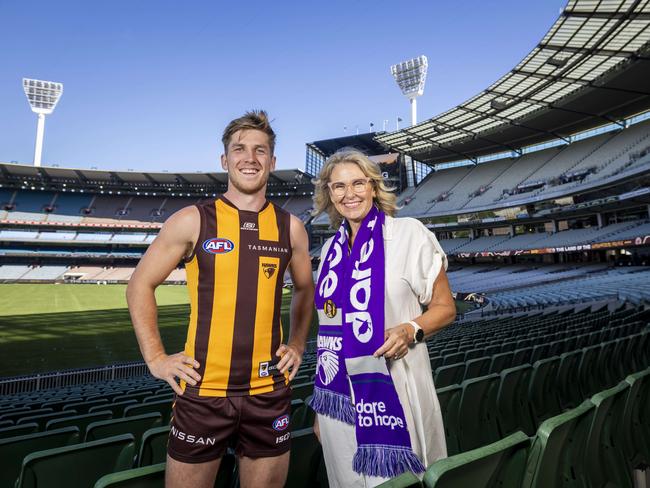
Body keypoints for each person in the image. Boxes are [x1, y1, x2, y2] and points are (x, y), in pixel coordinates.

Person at [127, 110, 314, 488]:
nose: (250, 158)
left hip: (268, 392)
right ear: (224, 160)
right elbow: (139, 285)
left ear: (272, 162)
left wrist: (296, 342)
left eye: (260, 150)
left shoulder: (290, 228)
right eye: (239, 149)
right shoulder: (192, 220)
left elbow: (306, 288)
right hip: (203, 394)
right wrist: (157, 359)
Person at [309, 149, 456, 487]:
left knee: (400, 482)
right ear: (329, 194)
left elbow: (445, 307)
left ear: (373, 187)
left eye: (358, 183)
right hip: (342, 402)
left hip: (396, 389)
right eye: (339, 186)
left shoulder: (408, 234)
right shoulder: (331, 250)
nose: (350, 194)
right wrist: (322, 409)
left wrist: (410, 330)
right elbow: (329, 338)